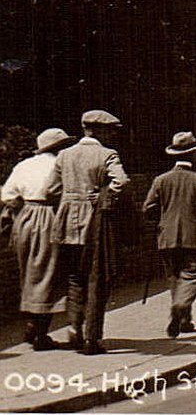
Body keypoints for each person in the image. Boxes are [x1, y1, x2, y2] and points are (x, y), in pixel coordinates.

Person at [49, 109, 130, 355]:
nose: (111, 135)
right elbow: (122, 181)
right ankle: (91, 339)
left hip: (65, 225)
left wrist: (69, 199)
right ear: (96, 130)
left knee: (74, 278)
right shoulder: (107, 154)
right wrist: (102, 197)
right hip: (94, 224)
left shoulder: (64, 154)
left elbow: (51, 189)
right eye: (108, 131)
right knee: (97, 279)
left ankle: (76, 330)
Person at [142, 132, 196, 338]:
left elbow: (148, 209)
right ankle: (180, 307)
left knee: (175, 278)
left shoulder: (160, 180)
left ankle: (185, 320)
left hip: (167, 237)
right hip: (195, 237)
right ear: (194, 155)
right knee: (192, 276)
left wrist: (161, 222)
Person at [2, 127, 71, 350]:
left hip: (24, 218)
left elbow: (8, 195)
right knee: (49, 274)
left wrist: (20, 209)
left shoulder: (23, 165)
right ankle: (41, 333)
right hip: (49, 215)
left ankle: (32, 323)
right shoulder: (59, 165)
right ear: (59, 147)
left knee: (29, 272)